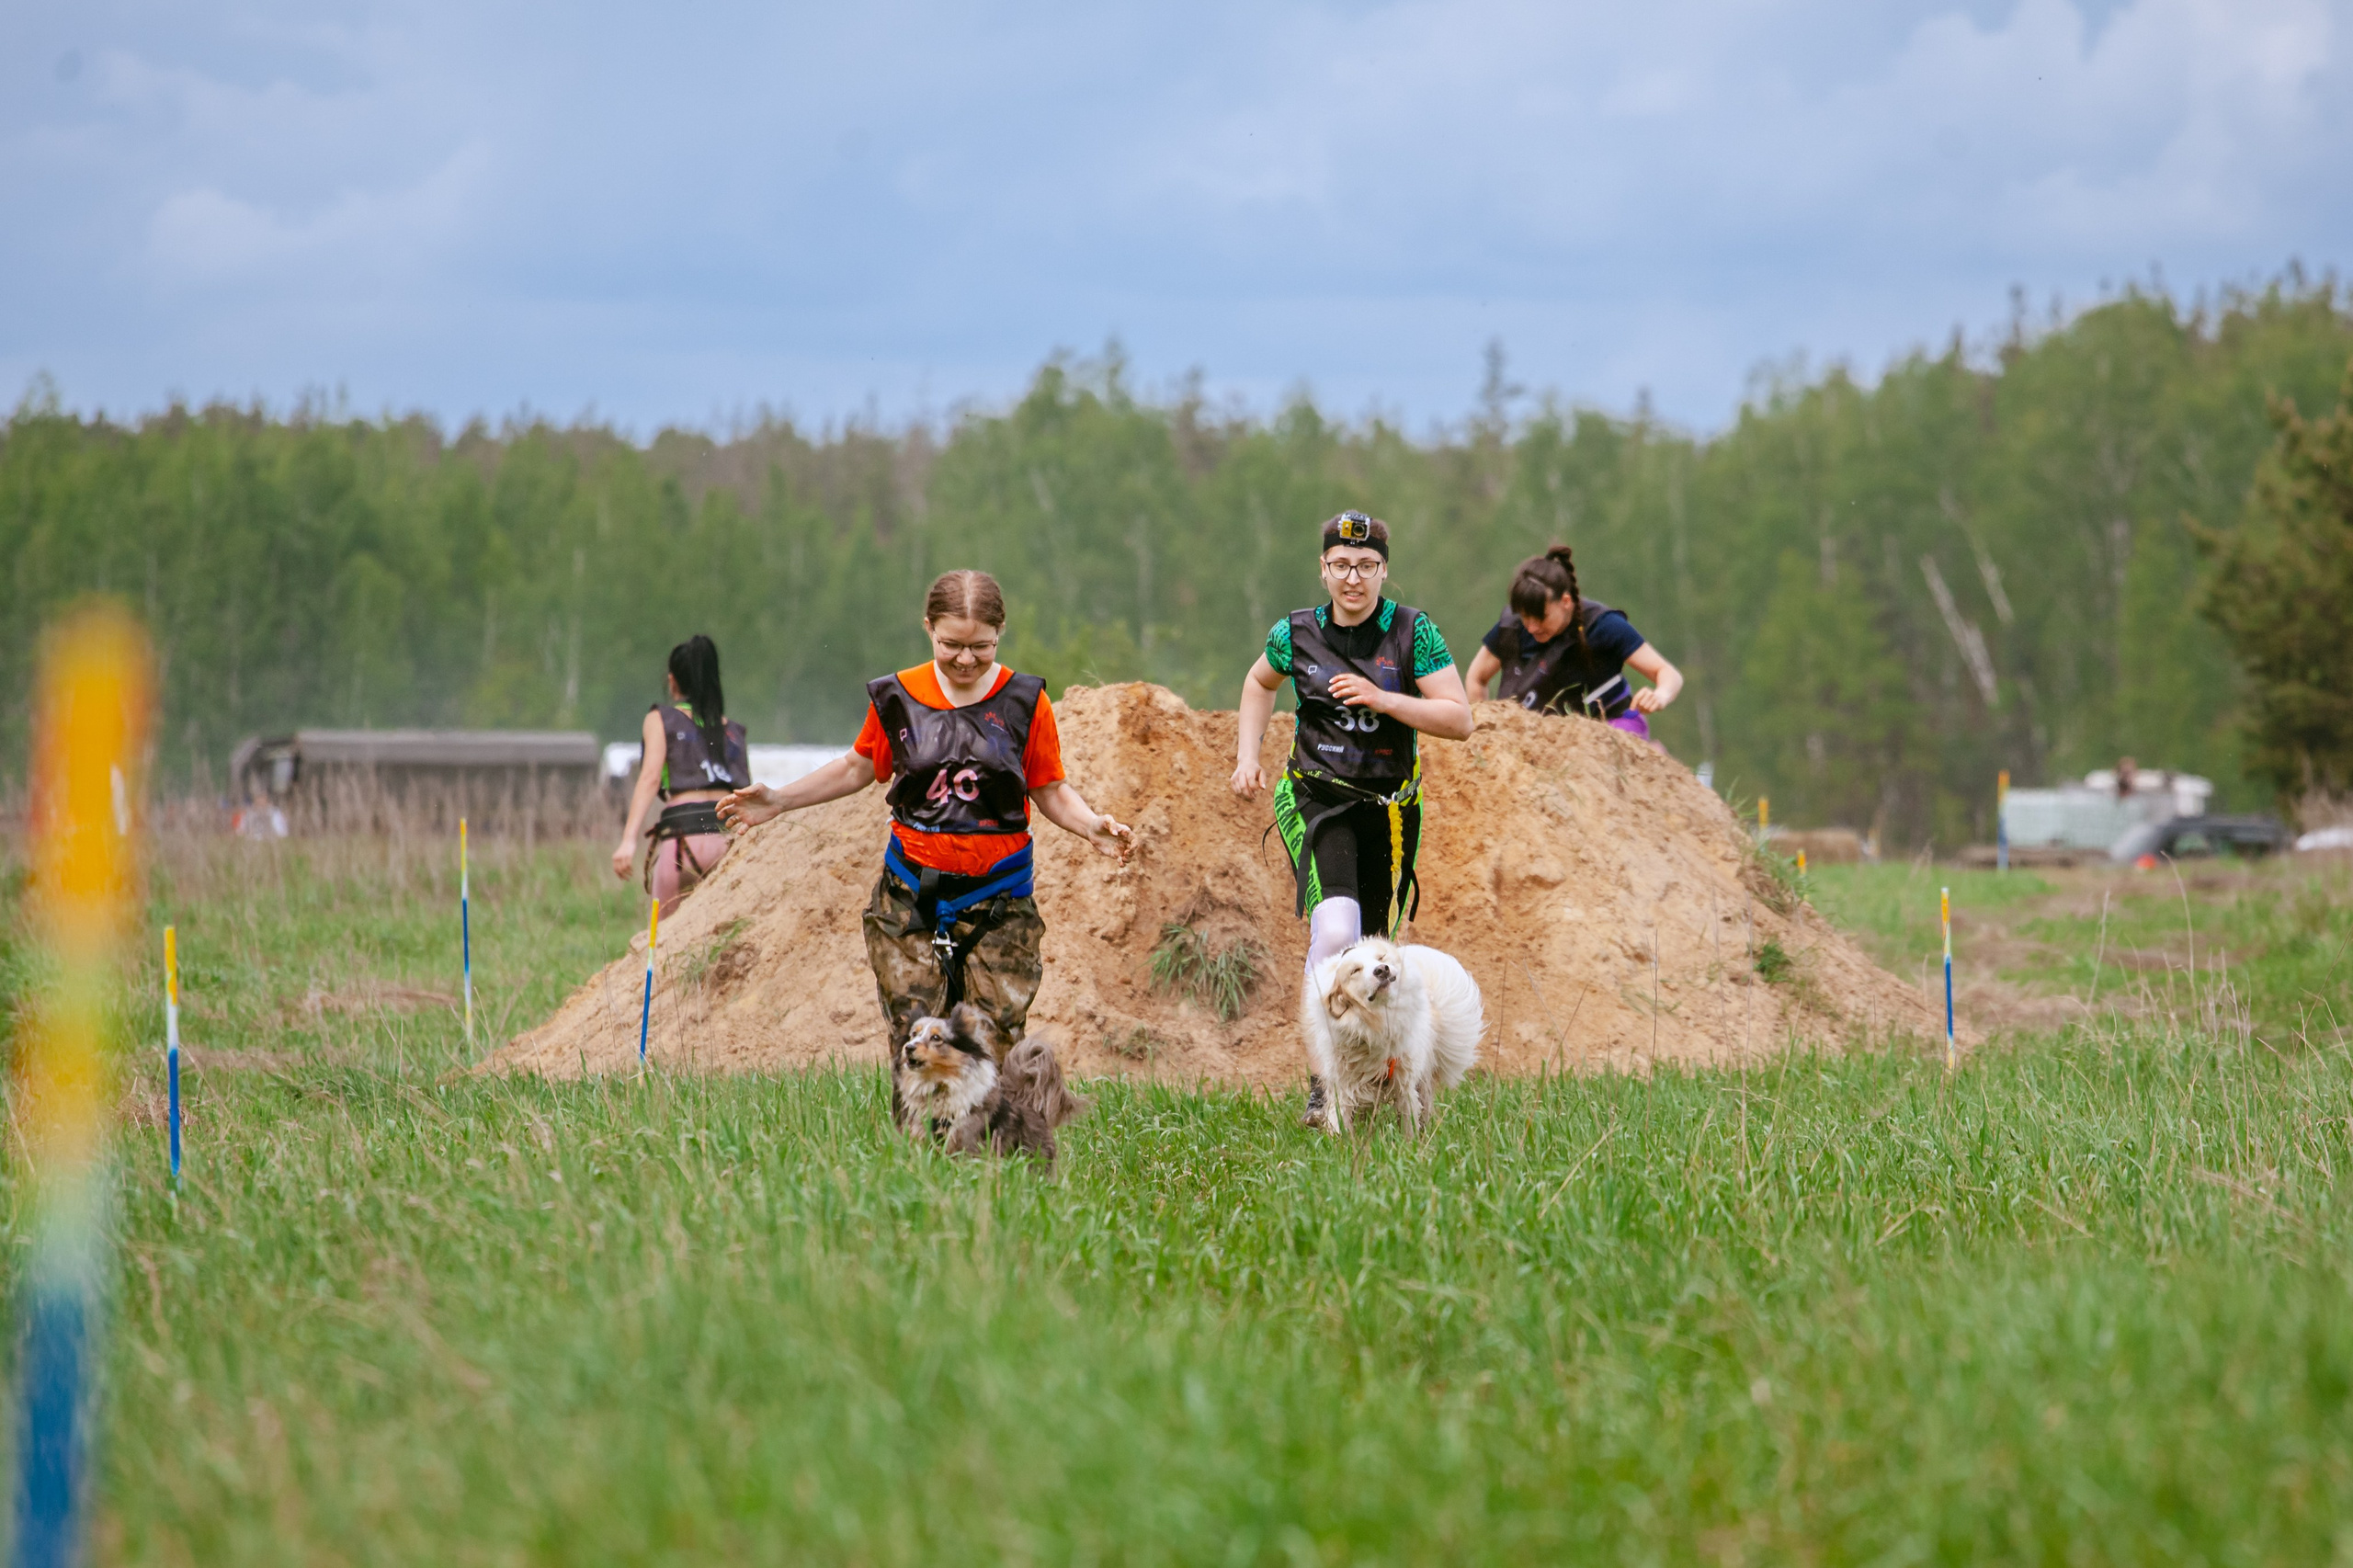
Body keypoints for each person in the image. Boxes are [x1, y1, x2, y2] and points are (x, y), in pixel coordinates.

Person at [718, 570, 1131, 1052]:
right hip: (910, 896)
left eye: (981, 646)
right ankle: (922, 1130)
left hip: (999, 901)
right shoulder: (898, 697)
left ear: (1001, 634)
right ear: (928, 628)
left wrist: (1091, 826)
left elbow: (1050, 788)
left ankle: (990, 1129)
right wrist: (780, 800)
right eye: (951, 643)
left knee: (991, 1046)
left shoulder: (1026, 702)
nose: (965, 659)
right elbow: (857, 767)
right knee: (916, 1044)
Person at [1229, 510, 1472, 1119]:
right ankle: (1325, 1079)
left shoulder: (1414, 633)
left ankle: (1385, 1072)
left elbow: (1459, 719)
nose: (1353, 579)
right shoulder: (1296, 633)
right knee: (1337, 932)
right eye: (1341, 565)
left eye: (1366, 566)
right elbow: (1259, 684)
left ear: (1385, 570)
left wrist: (1386, 698)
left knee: (1373, 948)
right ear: (1323, 569)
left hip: (1388, 810)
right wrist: (1246, 757)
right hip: (1316, 800)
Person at [1462, 544, 1684, 740]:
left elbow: (1666, 672)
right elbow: (1476, 677)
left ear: (1565, 602)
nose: (1531, 628)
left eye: (1541, 618)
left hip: (1613, 725)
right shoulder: (1511, 627)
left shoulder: (1603, 625)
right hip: (1542, 738)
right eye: (1525, 617)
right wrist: (1483, 734)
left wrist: (1659, 696)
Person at [613, 635, 749, 915]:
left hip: (682, 839)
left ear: (672, 682)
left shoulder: (661, 719)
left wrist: (628, 840)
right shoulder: (733, 731)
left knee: (666, 943)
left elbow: (650, 777)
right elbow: (747, 795)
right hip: (728, 839)